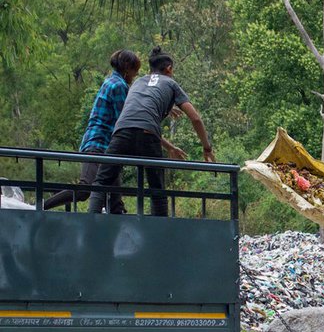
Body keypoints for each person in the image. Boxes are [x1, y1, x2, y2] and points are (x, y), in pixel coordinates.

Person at [88, 46, 214, 216]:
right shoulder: (171, 83)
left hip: (121, 132)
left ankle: (88, 224)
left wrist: (166, 110)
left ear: (150, 69)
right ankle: (159, 233)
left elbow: (138, 109)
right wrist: (207, 148)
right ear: (169, 69)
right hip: (148, 135)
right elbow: (195, 118)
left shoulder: (137, 82)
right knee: (157, 189)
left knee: (101, 182)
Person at [44, 50, 142, 212]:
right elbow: (125, 120)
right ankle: (40, 207)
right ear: (127, 68)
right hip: (98, 145)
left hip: (108, 149)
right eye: (135, 70)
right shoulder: (119, 86)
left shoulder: (111, 81)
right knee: (85, 189)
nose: (136, 74)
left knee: (115, 201)